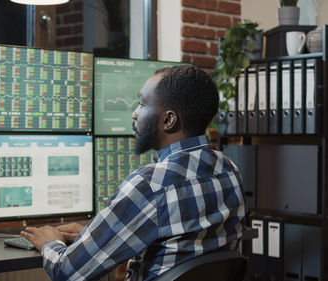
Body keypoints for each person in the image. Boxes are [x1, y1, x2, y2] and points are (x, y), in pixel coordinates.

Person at [21, 65, 246, 281]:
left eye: (142, 104)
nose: (135, 114)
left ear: (169, 120)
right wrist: (99, 237)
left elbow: (67, 272)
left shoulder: (150, 185)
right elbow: (183, 246)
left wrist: (50, 243)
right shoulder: (229, 170)